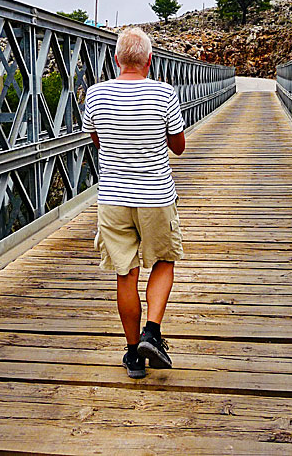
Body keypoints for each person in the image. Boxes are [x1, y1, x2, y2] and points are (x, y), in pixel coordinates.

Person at [82, 27, 185, 379]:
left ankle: (132, 355)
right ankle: (152, 333)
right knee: (165, 260)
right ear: (149, 60)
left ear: (116, 59)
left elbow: (97, 140)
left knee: (125, 274)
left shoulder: (95, 95)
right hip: (156, 196)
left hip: (113, 198)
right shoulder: (165, 94)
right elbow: (178, 146)